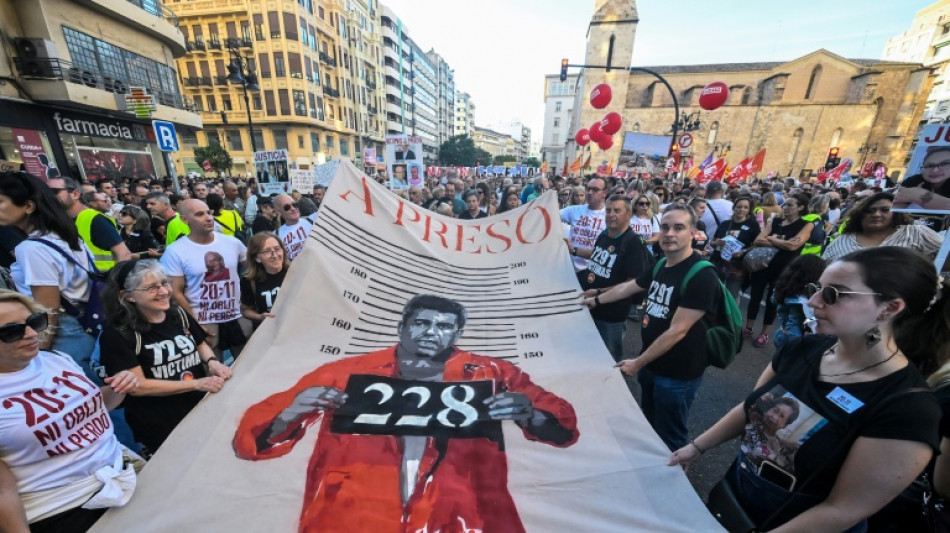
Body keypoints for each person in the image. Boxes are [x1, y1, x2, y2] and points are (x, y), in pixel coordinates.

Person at [233, 295, 579, 533]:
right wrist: (292, 412)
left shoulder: (495, 374)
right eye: (421, 323)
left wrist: (529, 414)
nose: (431, 332)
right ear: (402, 327)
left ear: (457, 333)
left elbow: (563, 426)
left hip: (462, 517)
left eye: (443, 326)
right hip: (354, 517)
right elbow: (251, 438)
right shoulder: (346, 372)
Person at [670, 247, 944, 533]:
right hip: (738, 496)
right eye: (816, 288)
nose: (812, 301)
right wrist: (696, 447)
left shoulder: (908, 410)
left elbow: (843, 510)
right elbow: (751, 406)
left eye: (833, 294)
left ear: (889, 308)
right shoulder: (802, 348)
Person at [0, 290, 140, 533]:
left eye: (35, 322)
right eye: (12, 331)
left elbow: (94, 406)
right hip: (63, 509)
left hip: (124, 475)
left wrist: (119, 387)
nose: (32, 334)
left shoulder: (56, 358)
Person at [583, 204, 720, 451]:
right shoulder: (661, 265)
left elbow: (677, 331)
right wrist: (596, 300)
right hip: (652, 365)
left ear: (693, 233)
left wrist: (638, 363)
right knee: (650, 424)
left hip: (677, 373)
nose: (669, 234)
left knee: (670, 435)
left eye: (679, 228)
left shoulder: (702, 275)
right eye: (665, 227)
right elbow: (630, 286)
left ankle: (673, 480)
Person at [98, 260, 230, 453]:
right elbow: (138, 386)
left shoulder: (177, 313)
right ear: (128, 296)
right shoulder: (118, 335)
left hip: (199, 409)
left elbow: (199, 342)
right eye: (152, 287)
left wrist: (212, 362)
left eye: (165, 283)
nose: (164, 291)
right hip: (159, 424)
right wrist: (197, 384)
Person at [0, 172, 99, 378]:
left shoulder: (31, 247)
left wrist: (43, 349)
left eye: (1, 202)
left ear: (28, 206)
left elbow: (48, 308)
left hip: (66, 331)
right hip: (90, 319)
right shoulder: (66, 235)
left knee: (82, 392)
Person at [160, 199, 248, 360]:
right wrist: (195, 323)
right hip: (204, 321)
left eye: (208, 212)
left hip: (236, 315)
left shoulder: (232, 243)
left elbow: (254, 269)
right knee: (215, 373)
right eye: (200, 214)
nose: (208, 218)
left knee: (248, 369)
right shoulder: (175, 252)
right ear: (184, 219)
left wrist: (249, 304)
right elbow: (175, 292)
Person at [578, 195, 649, 362]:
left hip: (611, 314)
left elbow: (633, 282)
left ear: (628, 215)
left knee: (609, 358)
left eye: (617, 211)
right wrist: (574, 250)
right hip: (590, 307)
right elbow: (596, 255)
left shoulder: (633, 243)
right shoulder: (604, 234)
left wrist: (599, 292)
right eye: (608, 210)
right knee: (587, 354)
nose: (611, 214)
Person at [745, 193, 814, 348]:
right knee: (755, 297)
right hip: (762, 265)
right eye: (785, 204)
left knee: (773, 301)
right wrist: (781, 242)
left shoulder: (806, 225)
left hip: (783, 269)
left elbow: (793, 246)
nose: (786, 207)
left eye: (790, 205)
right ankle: (748, 328)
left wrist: (770, 239)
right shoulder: (776, 221)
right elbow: (758, 240)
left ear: (801, 207)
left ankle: (764, 334)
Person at [822, 192, 942, 263]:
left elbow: (944, 259)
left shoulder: (915, 233)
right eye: (870, 210)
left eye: (885, 210)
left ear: (896, 213)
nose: (876, 214)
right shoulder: (842, 241)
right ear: (861, 214)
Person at [51, 177, 132, 271]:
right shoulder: (62, 221)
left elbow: (124, 254)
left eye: (54, 191)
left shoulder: (95, 219)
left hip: (104, 281)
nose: (49, 196)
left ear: (75, 194)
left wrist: (116, 282)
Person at [710, 196, 761, 303]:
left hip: (737, 265)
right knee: (713, 291)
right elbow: (712, 242)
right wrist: (716, 243)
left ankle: (730, 318)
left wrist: (743, 252)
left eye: (745, 207)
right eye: (739, 207)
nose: (742, 209)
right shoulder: (725, 224)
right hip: (718, 261)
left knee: (731, 295)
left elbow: (756, 244)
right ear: (734, 208)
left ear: (749, 210)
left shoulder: (753, 225)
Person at [771, 254, 824, 350]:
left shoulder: (786, 288)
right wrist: (797, 348)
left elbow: (773, 299)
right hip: (790, 341)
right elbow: (793, 328)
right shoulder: (800, 302)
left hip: (781, 333)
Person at [240, 233, 288, 330]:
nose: (274, 255)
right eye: (267, 251)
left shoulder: (296, 271)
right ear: (257, 258)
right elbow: (246, 310)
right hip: (269, 334)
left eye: (277, 249)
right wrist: (260, 317)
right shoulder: (249, 281)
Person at [561, 177, 608, 272]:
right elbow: (550, 216)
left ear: (604, 193)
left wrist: (574, 250)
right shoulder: (574, 210)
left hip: (592, 272)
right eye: (588, 189)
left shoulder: (609, 216)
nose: (590, 192)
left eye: (595, 190)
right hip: (570, 270)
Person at [894, 145, 950, 210]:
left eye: (944, 164)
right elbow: (894, 203)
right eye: (930, 166)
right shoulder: (915, 180)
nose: (935, 170)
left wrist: (920, 195)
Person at [273, 194, 312, 261]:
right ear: (278, 211)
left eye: (294, 205)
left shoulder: (313, 220)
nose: (293, 209)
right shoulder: (276, 235)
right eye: (287, 207)